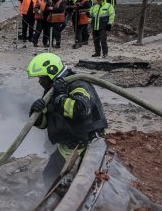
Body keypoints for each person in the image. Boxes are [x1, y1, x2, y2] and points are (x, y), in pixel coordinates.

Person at [27, 53, 107, 185]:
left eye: (41, 77)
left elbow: (81, 111)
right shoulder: (52, 89)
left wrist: (61, 97)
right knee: (49, 175)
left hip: (89, 143)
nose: (39, 81)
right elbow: (45, 123)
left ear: (51, 72)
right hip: (68, 144)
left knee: (86, 181)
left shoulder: (78, 84)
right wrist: (36, 114)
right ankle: (54, 201)